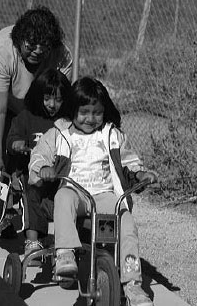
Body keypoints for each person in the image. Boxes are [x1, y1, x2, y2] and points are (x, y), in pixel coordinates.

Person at [28, 76, 157, 306]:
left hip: (104, 196)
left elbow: (129, 162)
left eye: (97, 112)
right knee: (63, 196)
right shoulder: (61, 134)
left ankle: (133, 285)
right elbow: (39, 155)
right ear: (73, 110)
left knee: (126, 223)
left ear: (104, 111)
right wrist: (43, 168)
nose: (90, 118)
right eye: (84, 112)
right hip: (74, 191)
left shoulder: (110, 135)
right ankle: (65, 253)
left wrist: (139, 174)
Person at [0, 5, 72, 237]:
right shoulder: (1, 50)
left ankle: (10, 211)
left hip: (34, 101)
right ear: (19, 40)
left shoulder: (62, 56)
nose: (37, 50)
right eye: (31, 44)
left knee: (28, 149)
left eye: (43, 46)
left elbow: (59, 104)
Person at [5, 68, 72, 245]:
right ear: (37, 96)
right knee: (32, 191)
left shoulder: (66, 122)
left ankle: (66, 242)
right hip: (30, 173)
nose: (52, 104)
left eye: (58, 99)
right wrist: (16, 143)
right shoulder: (27, 117)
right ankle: (32, 241)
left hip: (59, 173)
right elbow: (12, 137)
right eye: (47, 98)